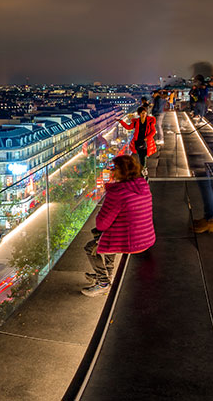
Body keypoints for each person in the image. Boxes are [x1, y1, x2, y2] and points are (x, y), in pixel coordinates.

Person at [82, 154, 156, 297]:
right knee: (104, 236)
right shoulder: (142, 185)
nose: (111, 171)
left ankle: (103, 282)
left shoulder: (117, 193)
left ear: (121, 171)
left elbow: (102, 224)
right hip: (145, 237)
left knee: (90, 247)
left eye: (114, 168)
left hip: (132, 242)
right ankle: (107, 272)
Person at [117, 106, 158, 176]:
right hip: (138, 141)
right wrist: (121, 121)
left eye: (145, 113)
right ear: (139, 114)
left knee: (144, 156)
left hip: (145, 141)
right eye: (142, 113)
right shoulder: (136, 121)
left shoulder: (149, 121)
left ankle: (143, 169)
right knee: (140, 156)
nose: (144, 114)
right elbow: (128, 127)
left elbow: (153, 131)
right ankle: (143, 169)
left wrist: (147, 137)